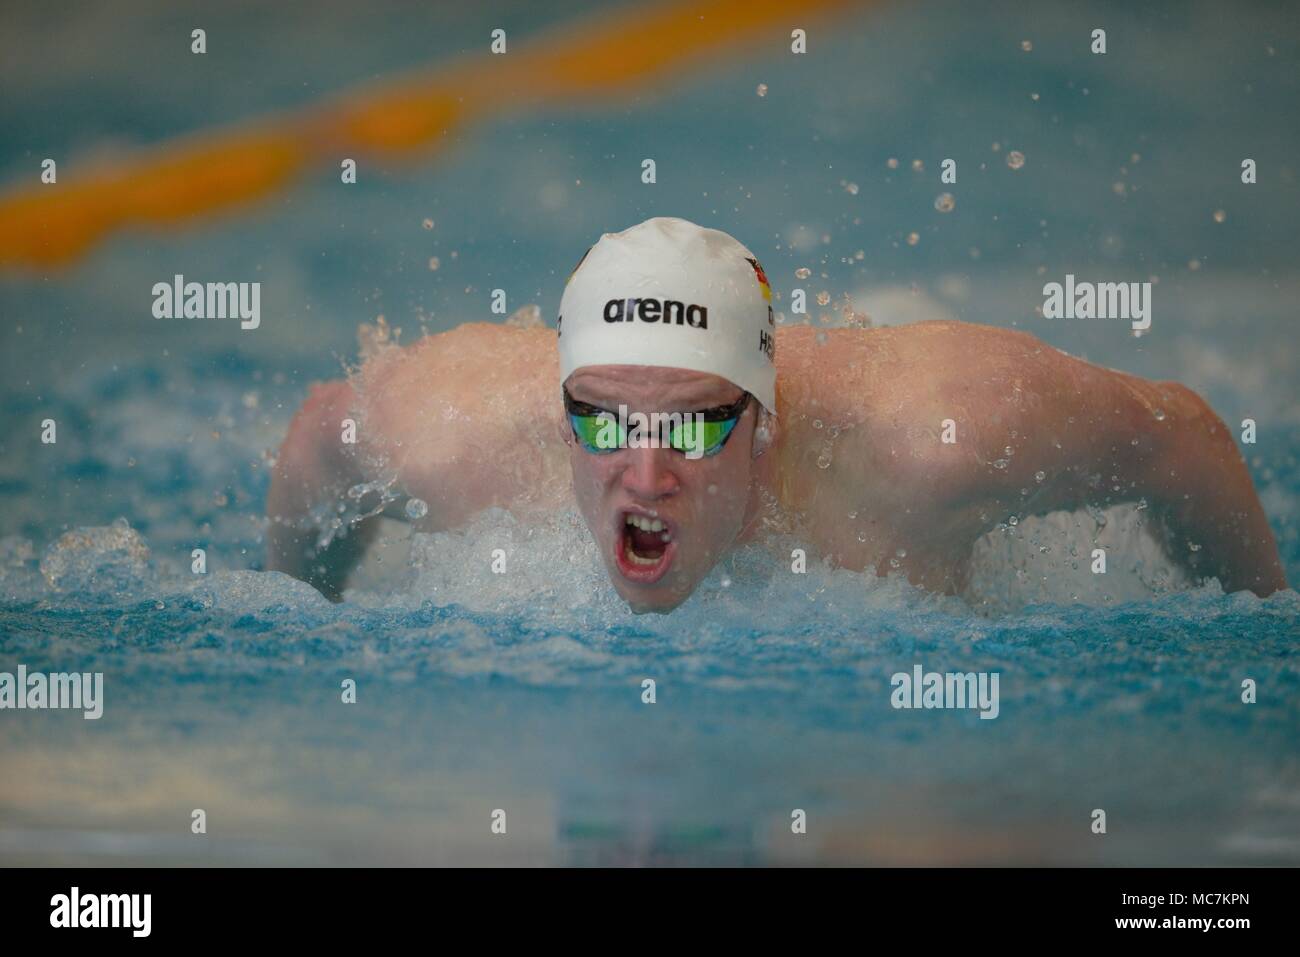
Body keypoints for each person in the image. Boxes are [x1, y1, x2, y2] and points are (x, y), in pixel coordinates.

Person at [267, 217, 1287, 611]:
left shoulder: (938, 440)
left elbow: (1184, 437)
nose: (646, 473)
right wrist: (304, 625)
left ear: (765, 420)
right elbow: (322, 434)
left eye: (698, 424)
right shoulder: (453, 433)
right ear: (562, 404)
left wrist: (1254, 640)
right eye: (606, 421)